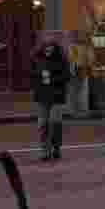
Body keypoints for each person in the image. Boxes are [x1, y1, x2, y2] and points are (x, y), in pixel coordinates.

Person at [30, 32, 71, 161]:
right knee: (43, 124)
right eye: (46, 47)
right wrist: (38, 79)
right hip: (42, 96)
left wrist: (52, 79)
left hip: (57, 96)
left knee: (55, 122)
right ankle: (45, 151)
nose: (48, 50)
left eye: (51, 48)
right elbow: (32, 76)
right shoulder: (37, 59)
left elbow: (67, 76)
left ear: (55, 48)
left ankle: (56, 147)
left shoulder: (62, 60)